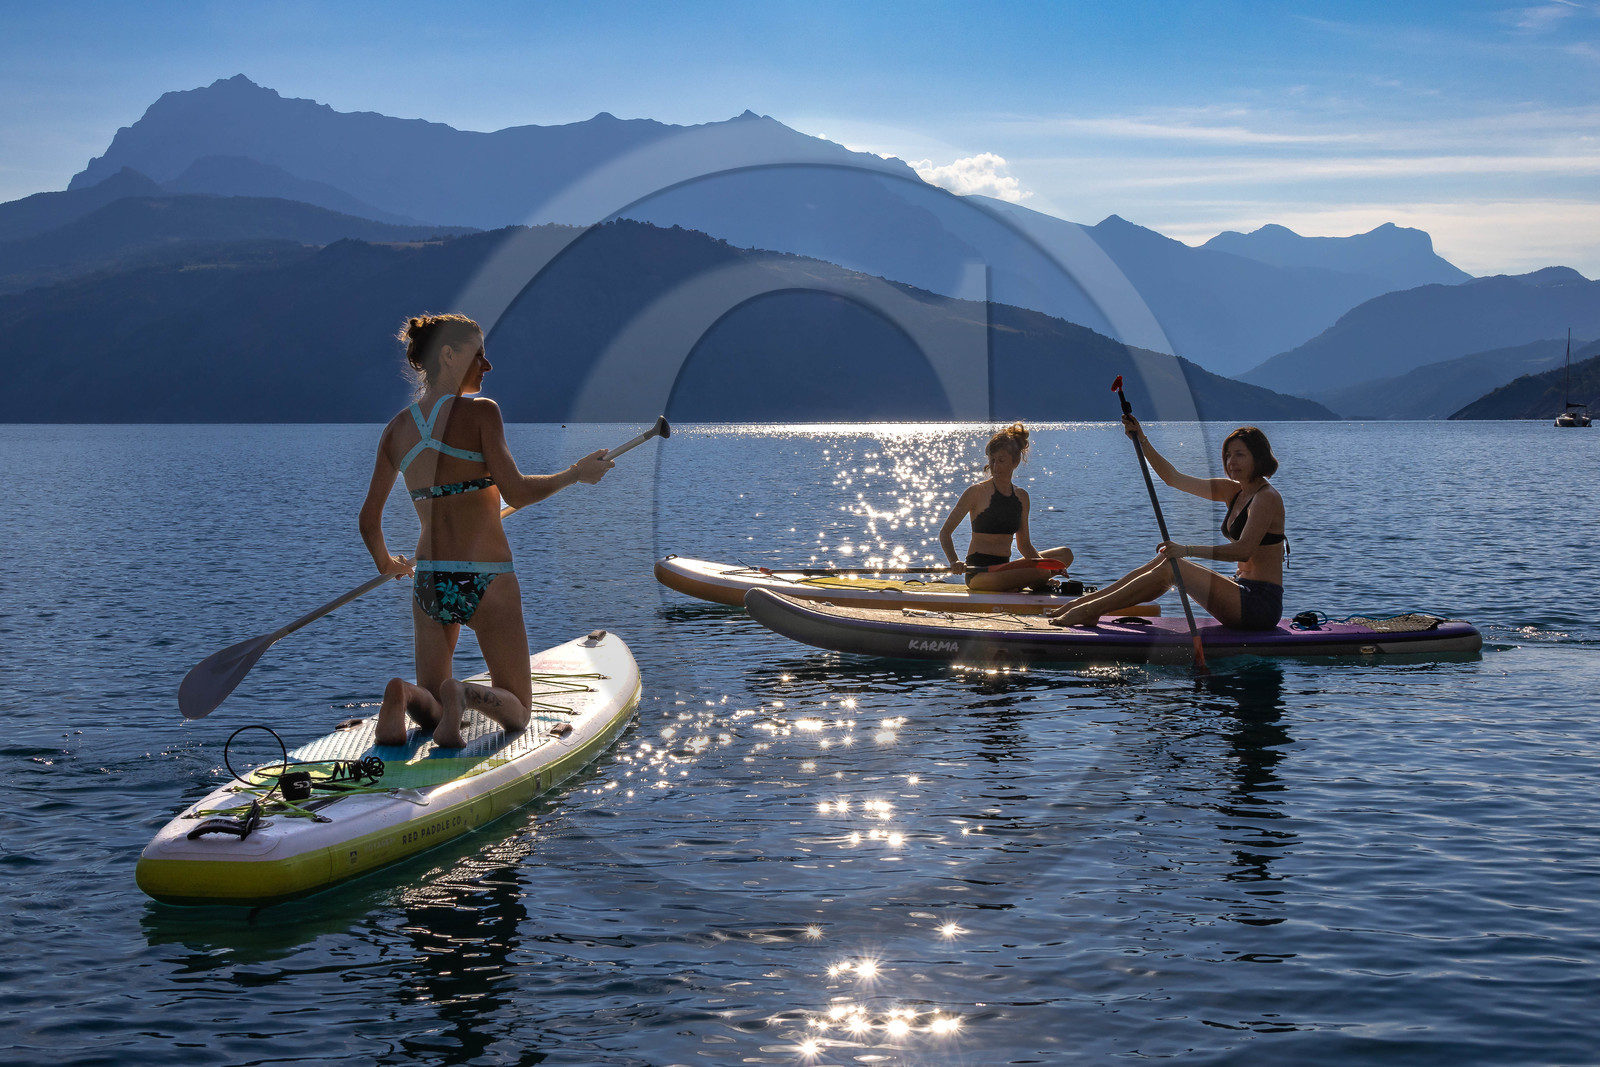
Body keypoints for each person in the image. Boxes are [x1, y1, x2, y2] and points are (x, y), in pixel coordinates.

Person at [358, 313, 613, 748]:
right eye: (478, 354)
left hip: (431, 579)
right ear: (448, 355)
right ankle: (465, 694)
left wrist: (387, 563)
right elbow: (516, 491)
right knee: (518, 710)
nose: (487, 365)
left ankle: (405, 694)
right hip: (487, 577)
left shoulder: (396, 430)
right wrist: (575, 473)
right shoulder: (482, 412)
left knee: (431, 706)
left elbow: (368, 520)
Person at [1050, 417, 1286, 629]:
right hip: (1240, 590)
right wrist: (1141, 439)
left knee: (1175, 566)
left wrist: (1186, 550)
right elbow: (1173, 478)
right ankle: (1082, 603)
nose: (1231, 461)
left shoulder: (1266, 497)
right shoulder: (1232, 491)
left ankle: (1091, 611)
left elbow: (1243, 551)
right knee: (1165, 558)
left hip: (1259, 605)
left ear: (1258, 457)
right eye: (1228, 455)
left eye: (1240, 454)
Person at [937, 423, 1073, 592]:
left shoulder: (1022, 497)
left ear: (1015, 462)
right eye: (992, 460)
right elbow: (945, 533)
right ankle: (1036, 579)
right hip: (980, 573)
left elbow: (1025, 546)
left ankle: (1034, 579)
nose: (995, 467)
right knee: (1041, 571)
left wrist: (1044, 566)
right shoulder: (976, 492)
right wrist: (954, 561)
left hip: (1005, 569)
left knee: (1065, 555)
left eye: (1001, 461)